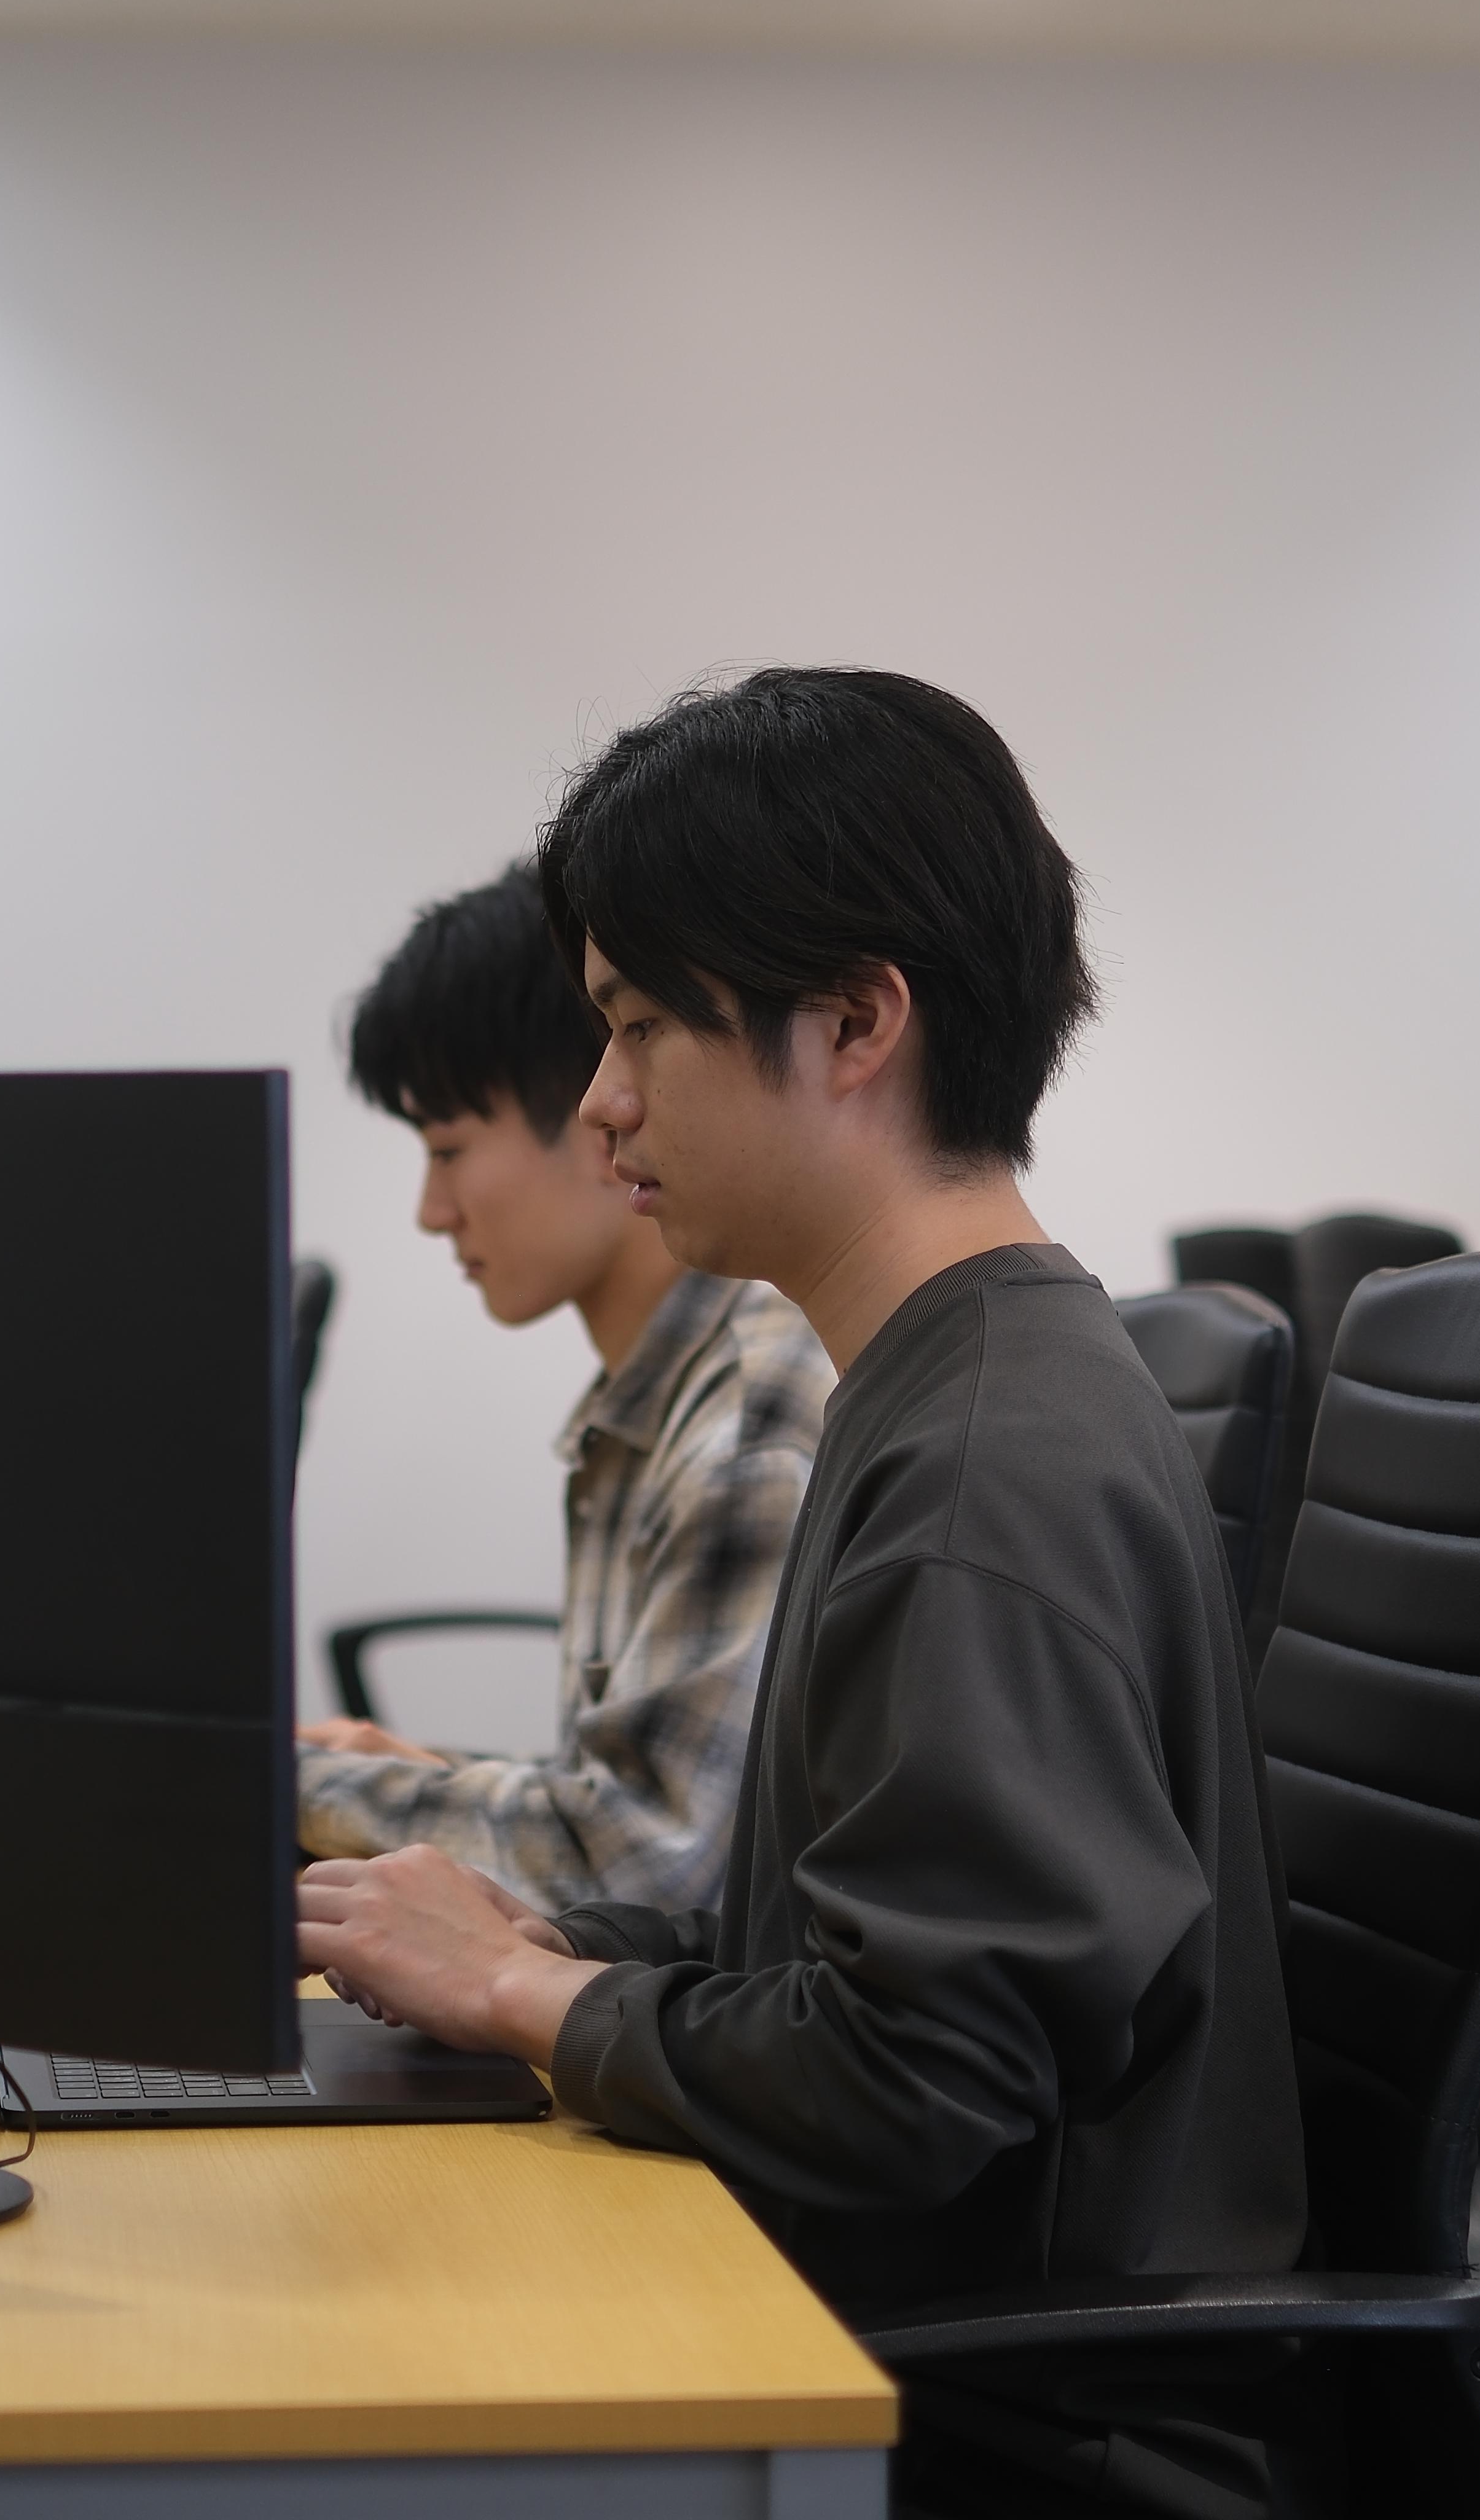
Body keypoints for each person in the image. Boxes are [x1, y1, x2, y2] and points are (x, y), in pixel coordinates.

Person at [296, 669, 1306, 2322]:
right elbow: (824, 1953)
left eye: (639, 1026)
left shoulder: (982, 1469)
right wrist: (548, 1948)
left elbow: (918, 2080)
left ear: (852, 1025)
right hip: (896, 2293)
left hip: (984, 2387)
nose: (604, 1100)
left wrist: (519, 1997)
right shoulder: (946, 1381)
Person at [300, 862, 831, 1911]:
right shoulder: (650, 1401)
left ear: (600, 1121)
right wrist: (419, 1781)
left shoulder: (749, 1416)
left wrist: (295, 1784)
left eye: (448, 1149)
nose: (432, 1211)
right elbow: (632, 1800)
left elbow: (645, 1866)